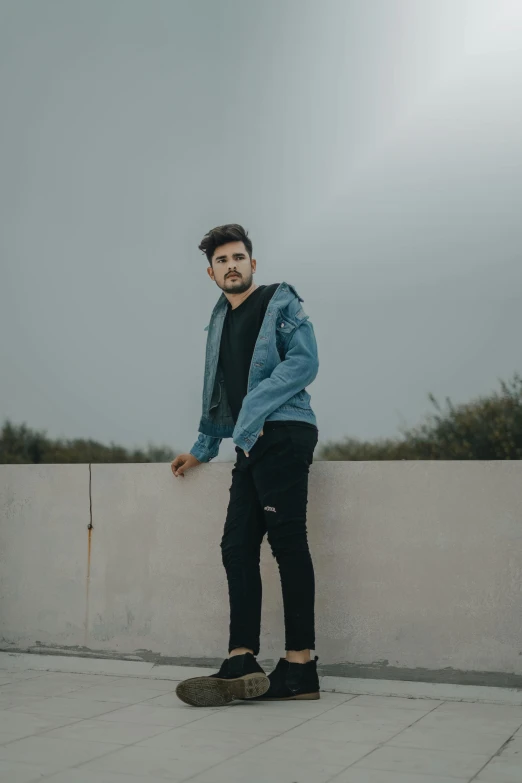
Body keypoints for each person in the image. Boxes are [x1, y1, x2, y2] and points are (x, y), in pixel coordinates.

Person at [171, 224, 320, 707]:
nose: (230, 265)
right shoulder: (219, 321)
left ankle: (300, 666)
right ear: (211, 273)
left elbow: (304, 362)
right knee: (237, 545)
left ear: (252, 264)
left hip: (284, 432)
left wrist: (253, 409)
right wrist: (202, 447)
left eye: (238, 257)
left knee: (287, 543)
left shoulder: (280, 301)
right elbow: (217, 393)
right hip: (250, 442)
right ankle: (242, 658)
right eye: (221, 261)